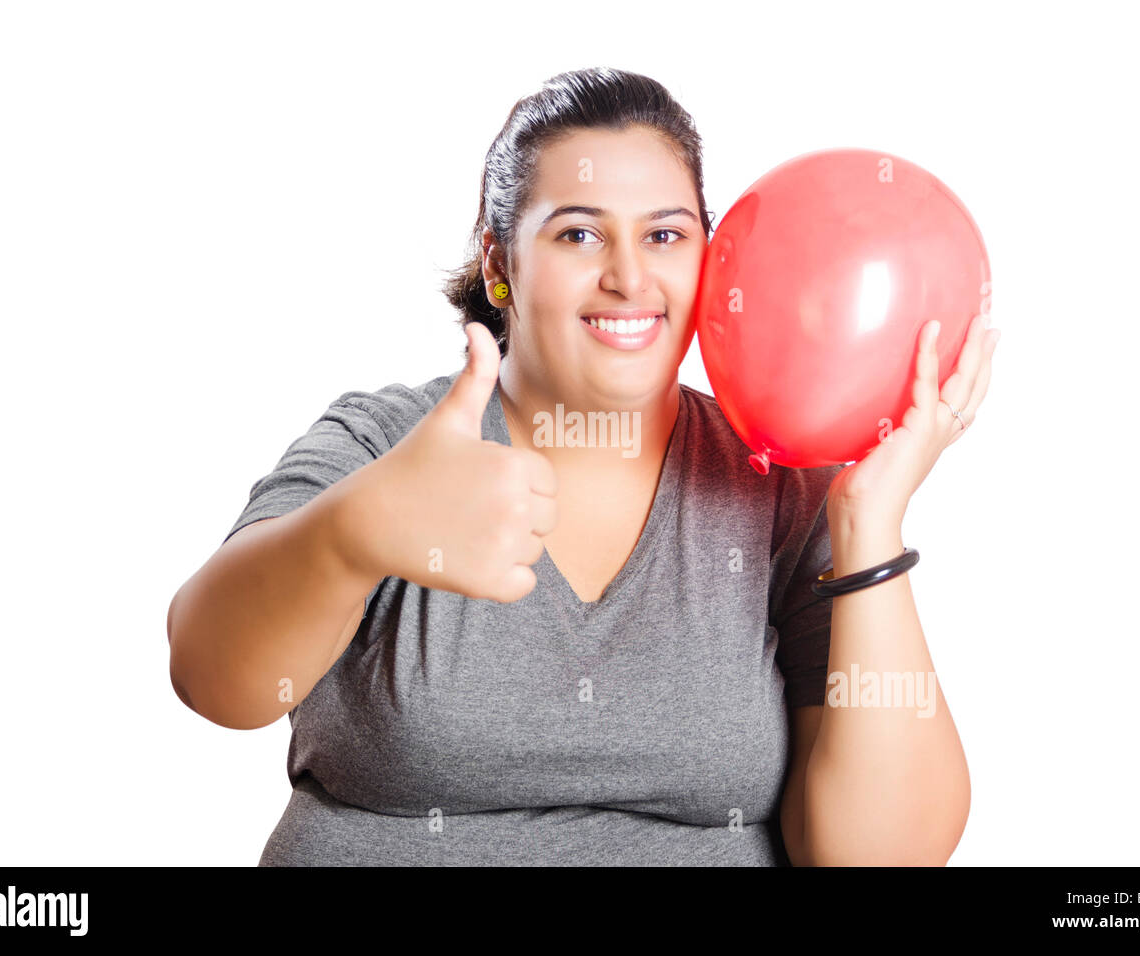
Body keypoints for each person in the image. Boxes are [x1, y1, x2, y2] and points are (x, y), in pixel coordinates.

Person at [167, 67, 997, 866]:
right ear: (499, 264)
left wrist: (869, 523)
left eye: (666, 234)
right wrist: (355, 534)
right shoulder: (385, 442)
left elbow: (880, 856)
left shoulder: (783, 493)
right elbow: (215, 683)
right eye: (579, 233)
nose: (629, 277)